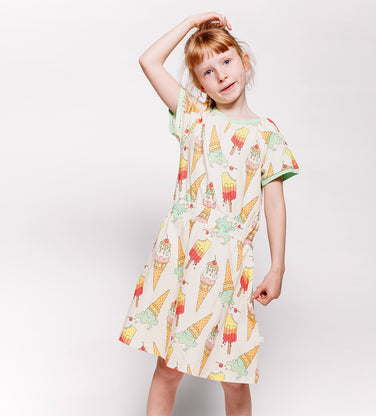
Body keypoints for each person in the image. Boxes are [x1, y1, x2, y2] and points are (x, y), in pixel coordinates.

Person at [118, 12, 300, 416]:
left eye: (227, 61)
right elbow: (149, 61)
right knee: (168, 368)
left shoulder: (267, 135)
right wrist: (191, 22)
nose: (221, 75)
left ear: (244, 61)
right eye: (207, 72)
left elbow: (274, 203)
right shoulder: (195, 117)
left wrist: (278, 267)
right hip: (182, 259)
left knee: (234, 376)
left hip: (231, 267)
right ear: (200, 85)